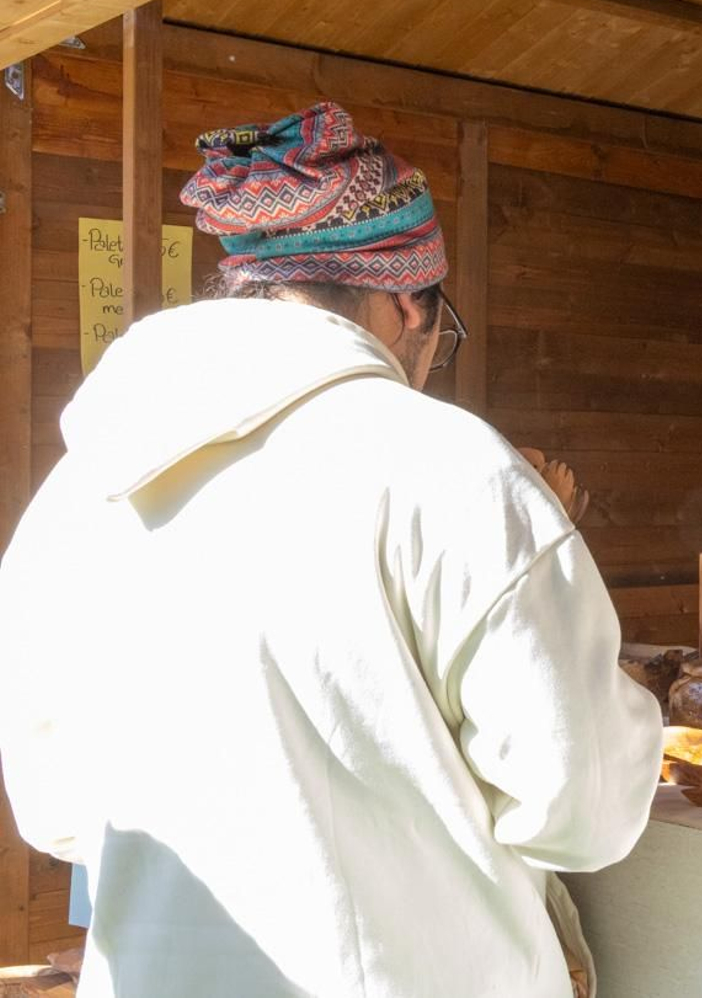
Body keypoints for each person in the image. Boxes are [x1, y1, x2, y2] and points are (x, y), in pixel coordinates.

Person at [0, 101, 662, 998]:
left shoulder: (80, 490)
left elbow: (52, 804)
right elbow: (579, 806)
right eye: (437, 332)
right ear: (404, 303)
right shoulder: (451, 468)